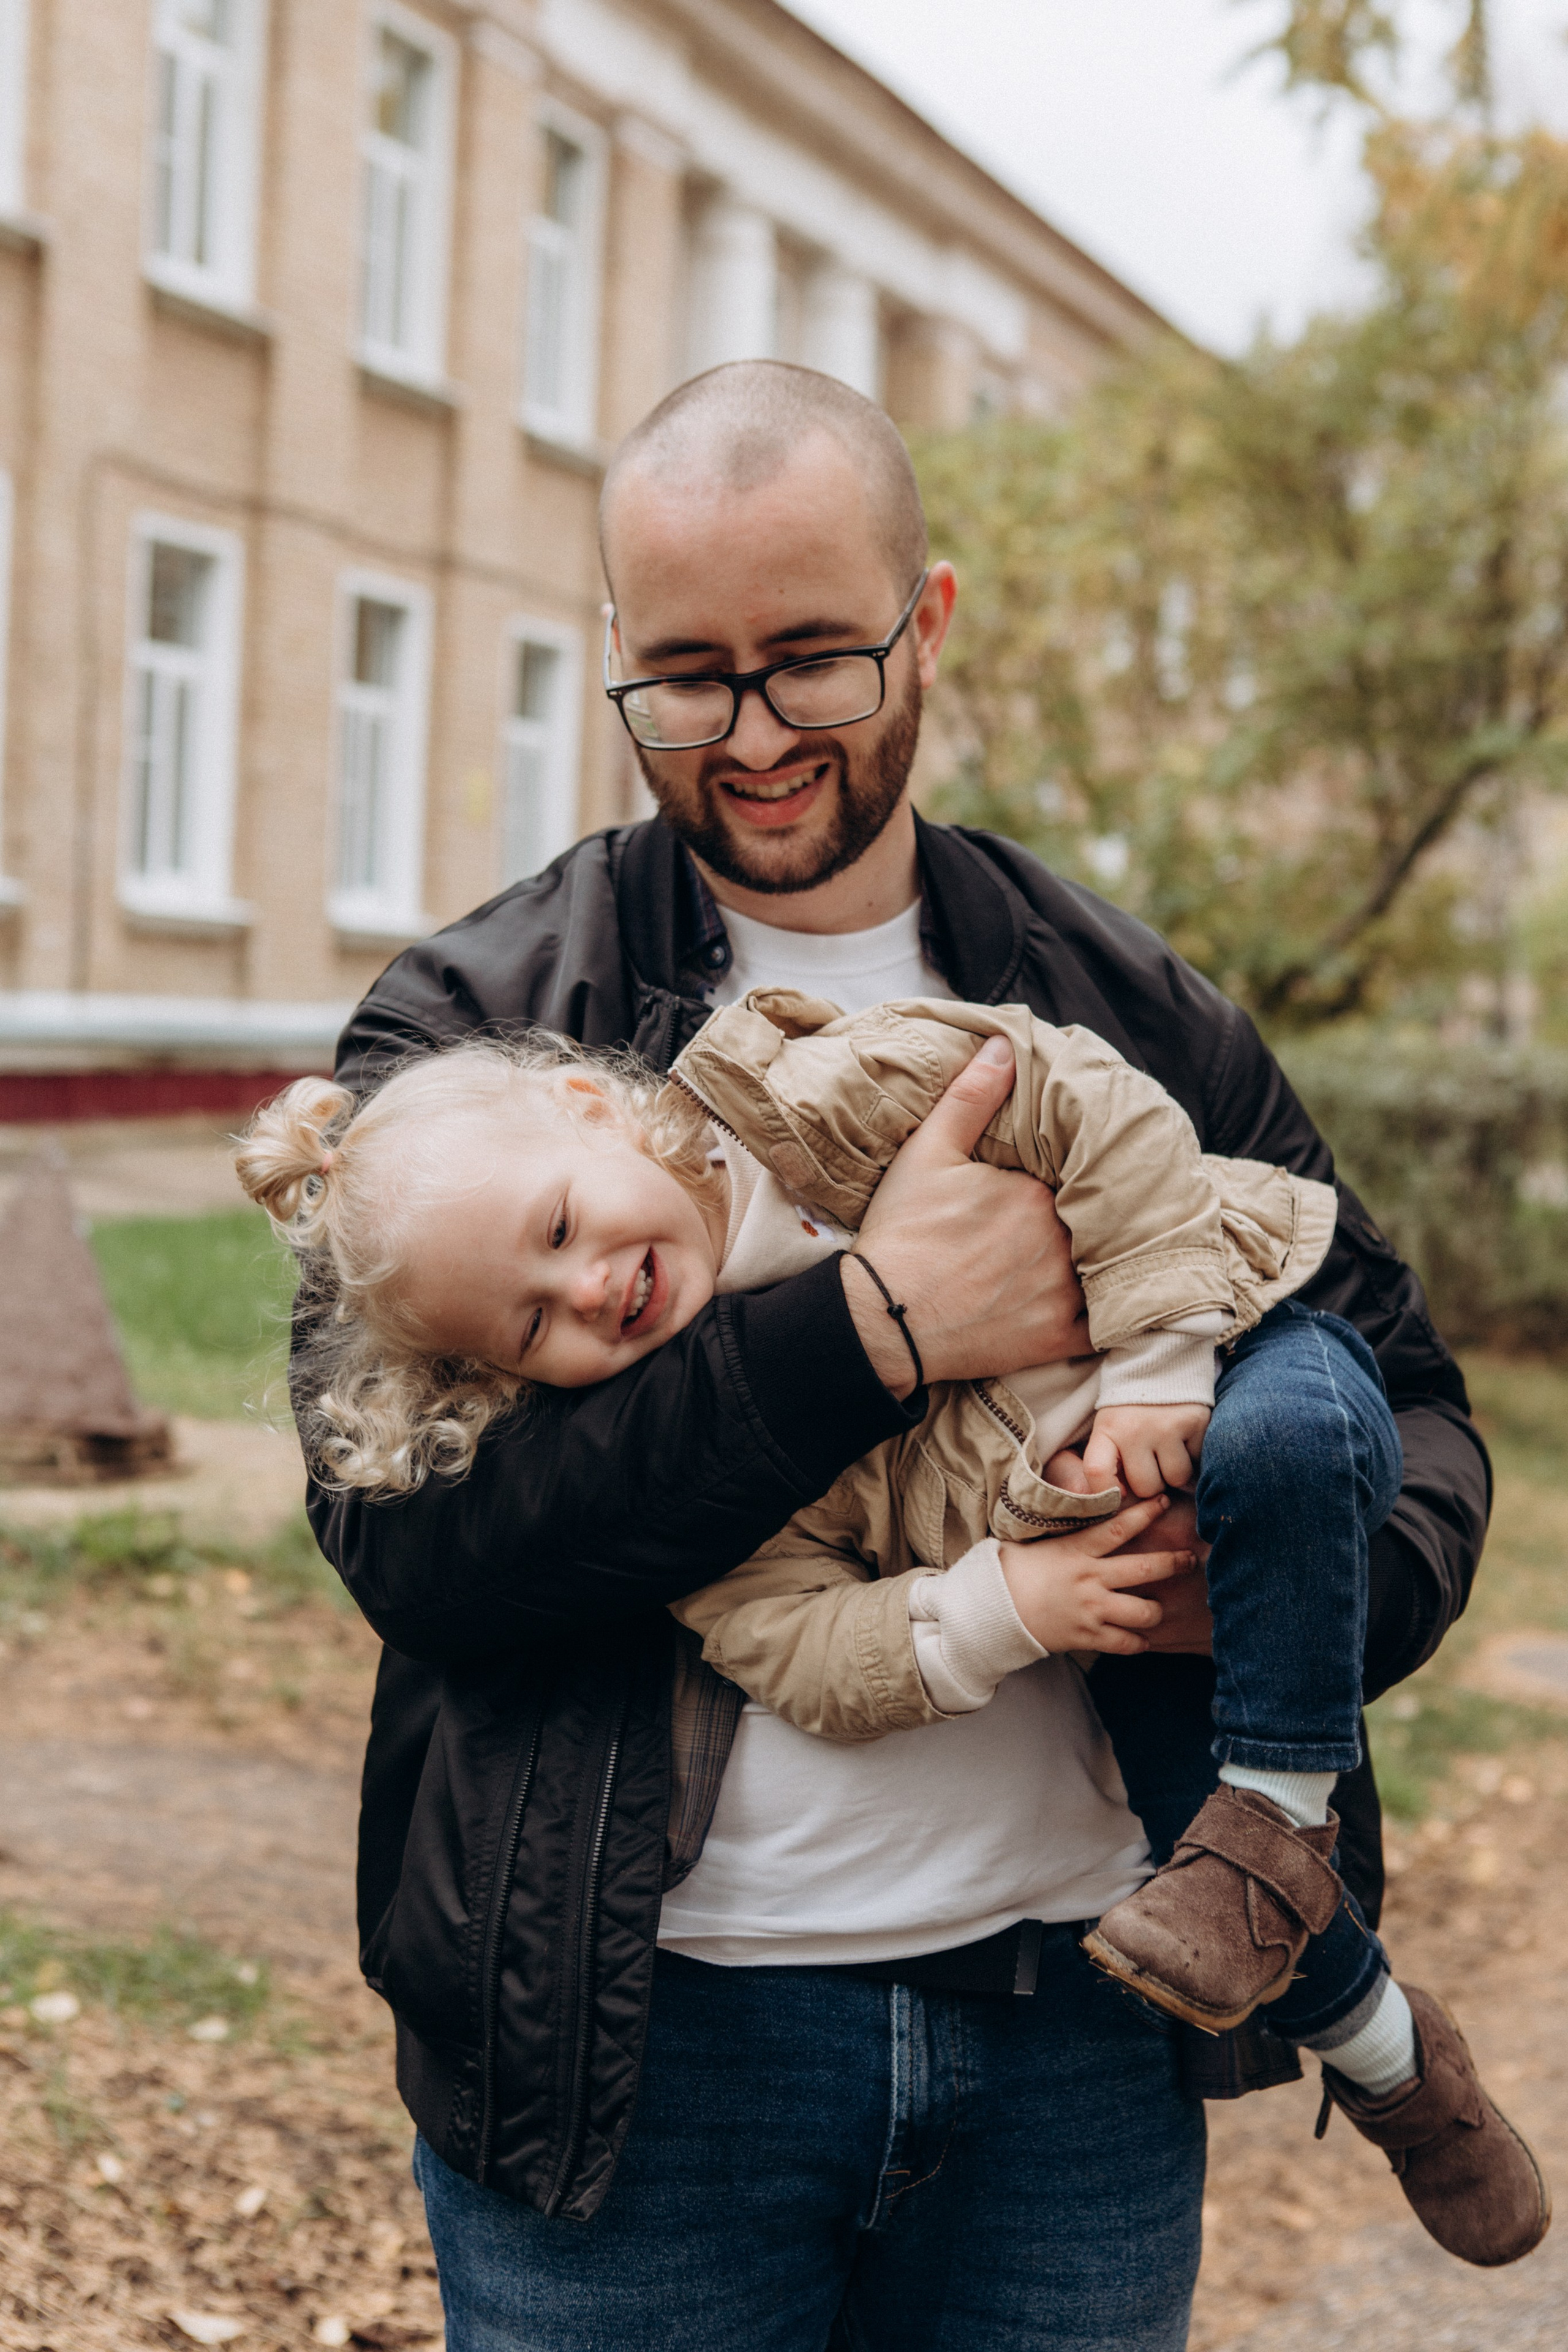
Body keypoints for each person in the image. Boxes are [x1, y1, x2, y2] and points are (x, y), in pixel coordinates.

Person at [307, 361, 1501, 2349]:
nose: (755, 735)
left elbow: (1420, 1411)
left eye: (813, 664)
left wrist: (1271, 1588)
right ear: (618, 649)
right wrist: (873, 1335)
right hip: (638, 2075)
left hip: (1076, 2049)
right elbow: (417, 1545)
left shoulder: (1123, 1002)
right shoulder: (476, 1028)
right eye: (686, 675)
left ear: (926, 620)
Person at [246, 988, 1546, 2275]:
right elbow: (791, 1645)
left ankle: (1286, 1808)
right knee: (1193, 1856)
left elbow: (1094, 1103)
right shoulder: (706, 1474)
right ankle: (1390, 2061)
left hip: (1236, 1339)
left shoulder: (808, 1092)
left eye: (563, 1224)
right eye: (531, 1323)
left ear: (593, 1109)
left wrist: (1157, 1366)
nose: (588, 1288)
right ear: (506, 1385)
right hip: (1080, 1561)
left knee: (1289, 1455)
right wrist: (1005, 1609)